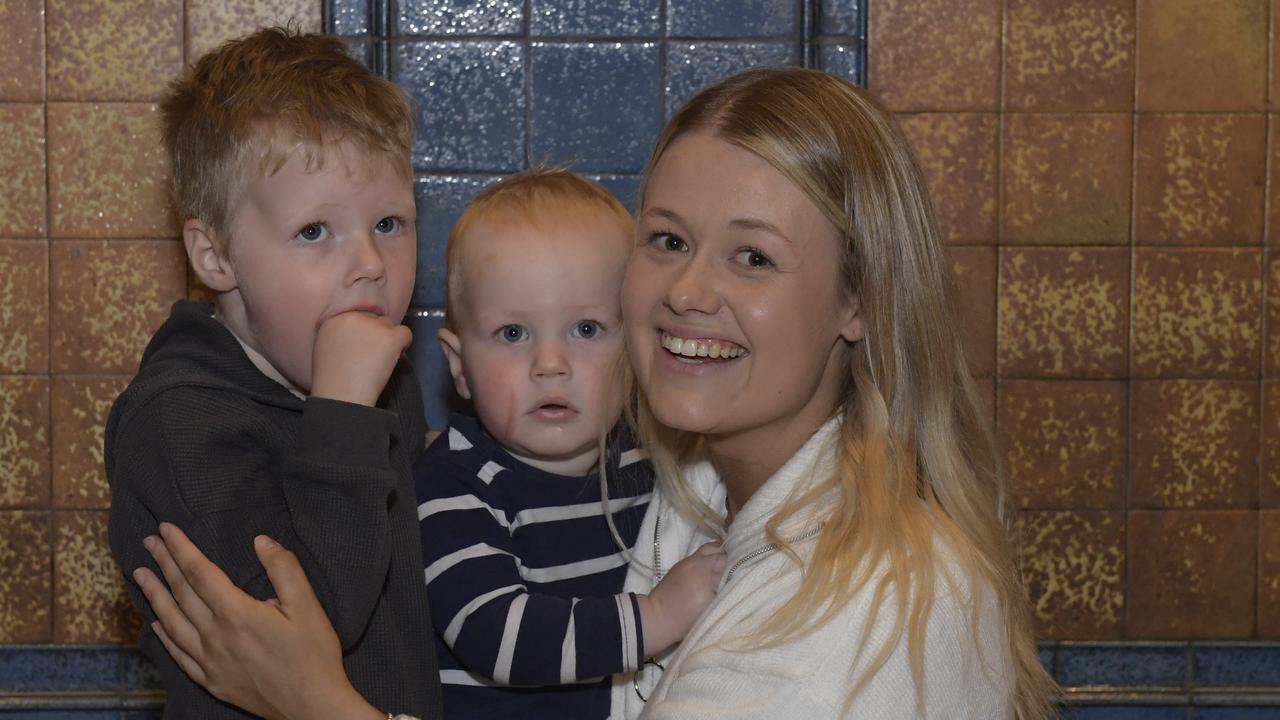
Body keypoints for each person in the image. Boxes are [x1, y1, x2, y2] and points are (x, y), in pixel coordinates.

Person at [132, 67, 1056, 719]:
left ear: (858, 300)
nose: (690, 290)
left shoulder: (870, 612)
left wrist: (320, 708)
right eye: (666, 240)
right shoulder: (682, 493)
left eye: (752, 256)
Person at [105, 27, 440, 719]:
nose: (372, 264)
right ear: (215, 255)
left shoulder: (382, 375)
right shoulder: (181, 422)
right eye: (315, 232)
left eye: (390, 223)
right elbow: (306, 636)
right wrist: (344, 409)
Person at [417, 167, 724, 718]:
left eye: (586, 329)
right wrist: (654, 617)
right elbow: (494, 634)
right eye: (513, 334)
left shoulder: (655, 460)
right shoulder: (455, 482)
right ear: (459, 367)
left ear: (634, 343)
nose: (551, 365)